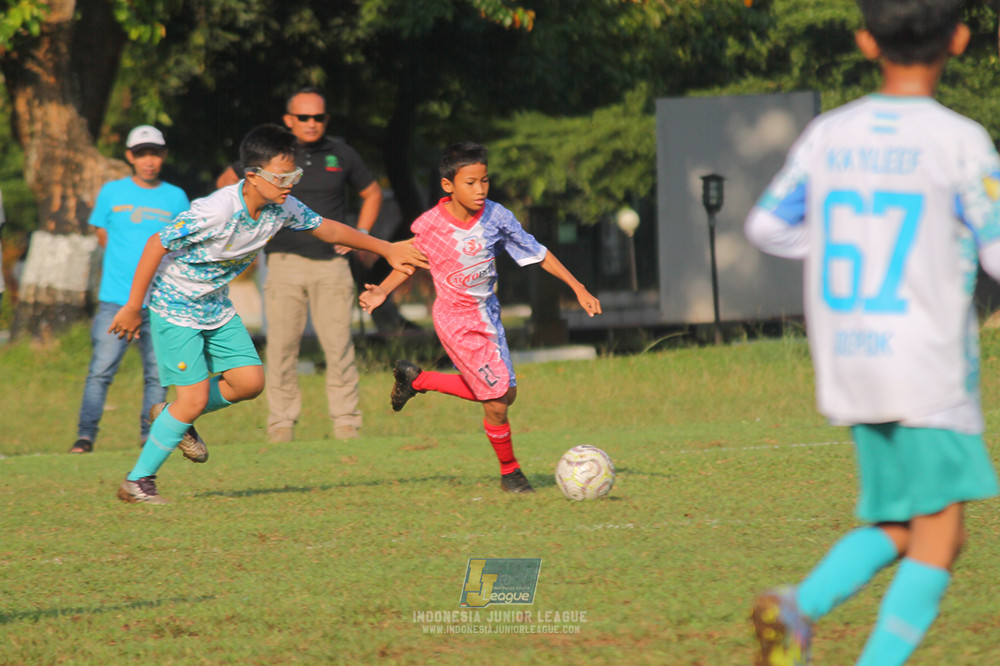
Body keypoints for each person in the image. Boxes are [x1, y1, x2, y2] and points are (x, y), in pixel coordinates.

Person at [743, 1, 1000, 664]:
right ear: (960, 39)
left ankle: (799, 607)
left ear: (865, 41)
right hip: (928, 363)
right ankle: (817, 617)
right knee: (942, 536)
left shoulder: (829, 133)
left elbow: (766, 226)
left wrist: (841, 241)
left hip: (854, 358)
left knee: (902, 524)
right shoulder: (959, 138)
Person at [108, 123, 428, 504]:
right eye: (281, 176)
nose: (290, 182)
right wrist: (132, 307)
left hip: (215, 305)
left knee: (249, 382)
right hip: (175, 307)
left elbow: (328, 230)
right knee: (191, 402)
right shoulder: (215, 210)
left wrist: (386, 248)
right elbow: (155, 244)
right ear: (253, 177)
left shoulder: (282, 207)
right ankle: (138, 481)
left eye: (294, 174)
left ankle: (170, 414)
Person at [359, 142, 601, 493]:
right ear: (449, 186)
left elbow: (538, 253)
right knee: (497, 401)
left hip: (489, 316)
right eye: (470, 182)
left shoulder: (497, 217)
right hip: (456, 322)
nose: (480, 190)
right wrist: (382, 290)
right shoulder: (431, 226)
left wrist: (578, 287)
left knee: (507, 394)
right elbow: (409, 260)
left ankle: (418, 380)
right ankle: (511, 474)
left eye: (484, 181)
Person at [69, 126, 190, 454]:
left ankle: (148, 436)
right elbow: (102, 234)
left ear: (163, 156)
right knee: (100, 371)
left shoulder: (176, 197)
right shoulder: (111, 192)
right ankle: (85, 437)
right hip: (116, 301)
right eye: (141, 154)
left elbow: (182, 245)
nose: (148, 160)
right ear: (130, 156)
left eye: (154, 153)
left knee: (157, 374)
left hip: (162, 302)